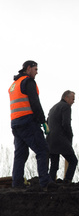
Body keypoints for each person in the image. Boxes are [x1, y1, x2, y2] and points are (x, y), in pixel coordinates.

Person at [8, 60, 52, 188]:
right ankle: (45, 182)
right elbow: (34, 102)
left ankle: (17, 184)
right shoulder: (28, 81)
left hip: (15, 124)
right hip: (27, 122)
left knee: (20, 154)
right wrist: (42, 121)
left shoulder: (14, 85)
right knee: (43, 150)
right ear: (28, 68)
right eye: (35, 69)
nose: (37, 72)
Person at [47, 90, 78, 183]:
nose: (73, 101)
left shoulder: (53, 108)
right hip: (61, 139)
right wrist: (70, 136)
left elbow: (47, 122)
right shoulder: (66, 107)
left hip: (50, 140)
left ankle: (50, 182)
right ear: (66, 97)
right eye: (72, 99)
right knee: (73, 161)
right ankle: (67, 181)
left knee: (54, 165)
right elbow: (66, 124)